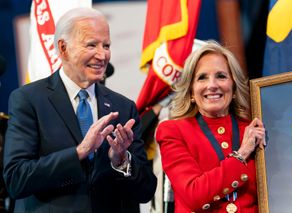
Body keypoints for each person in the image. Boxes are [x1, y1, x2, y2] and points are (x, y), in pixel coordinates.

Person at [3, 7, 156, 213]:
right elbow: (16, 179)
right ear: (63, 48)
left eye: (106, 45)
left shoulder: (123, 108)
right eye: (91, 45)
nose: (102, 55)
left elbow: (146, 191)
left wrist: (121, 161)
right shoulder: (29, 100)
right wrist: (79, 152)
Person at [155, 40, 265, 212]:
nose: (212, 85)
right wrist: (242, 154)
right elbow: (194, 195)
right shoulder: (172, 131)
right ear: (191, 92)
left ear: (234, 87)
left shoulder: (254, 132)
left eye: (221, 76)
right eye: (202, 77)